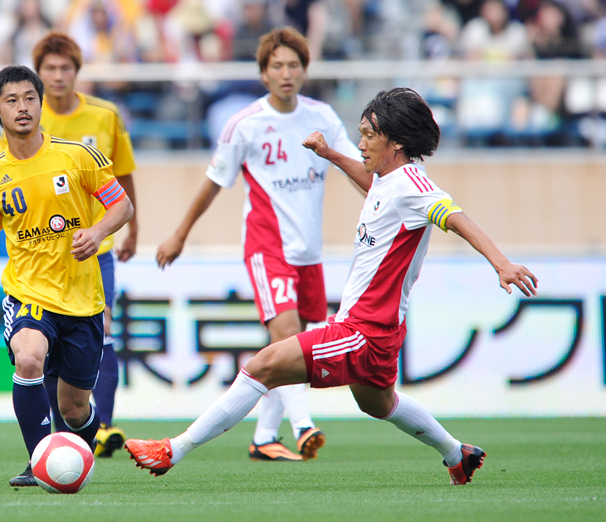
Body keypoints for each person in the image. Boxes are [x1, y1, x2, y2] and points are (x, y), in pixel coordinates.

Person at [127, 87, 538, 485]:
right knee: (379, 404)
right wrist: (331, 155)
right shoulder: (388, 179)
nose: (361, 142)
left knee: (261, 367)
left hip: (363, 331)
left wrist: (501, 264)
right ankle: (457, 454)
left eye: (368, 134)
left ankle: (172, 450)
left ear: (395, 143)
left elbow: (456, 215)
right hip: (375, 329)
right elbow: (369, 180)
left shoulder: (414, 186)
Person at [156, 27, 362, 463]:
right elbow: (214, 182)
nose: (286, 73)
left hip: (309, 251)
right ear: (263, 74)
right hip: (267, 247)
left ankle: (264, 436)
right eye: (277, 66)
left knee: (291, 348)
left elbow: (355, 169)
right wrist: (179, 234)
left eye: (294, 65)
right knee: (286, 333)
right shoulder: (245, 124)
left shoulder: (322, 117)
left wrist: (385, 196)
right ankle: (303, 425)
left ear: (305, 71)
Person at [0, 65, 133, 487]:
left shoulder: (77, 156)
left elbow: (121, 205)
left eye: (29, 98)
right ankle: (39, 460)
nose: (23, 107)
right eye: (11, 101)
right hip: (27, 293)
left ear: (40, 104)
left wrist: (97, 231)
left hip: (82, 299)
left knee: (73, 409)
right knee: (29, 356)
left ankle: (83, 441)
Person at [0, 31, 140, 467]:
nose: (57, 77)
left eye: (65, 69)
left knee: (102, 334)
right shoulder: (21, 132)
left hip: (94, 252)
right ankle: (52, 449)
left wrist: (121, 231)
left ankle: (101, 425)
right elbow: (2, 197)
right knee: (34, 354)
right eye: (50, 69)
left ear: (77, 73)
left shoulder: (104, 116)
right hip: (38, 271)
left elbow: (124, 181)